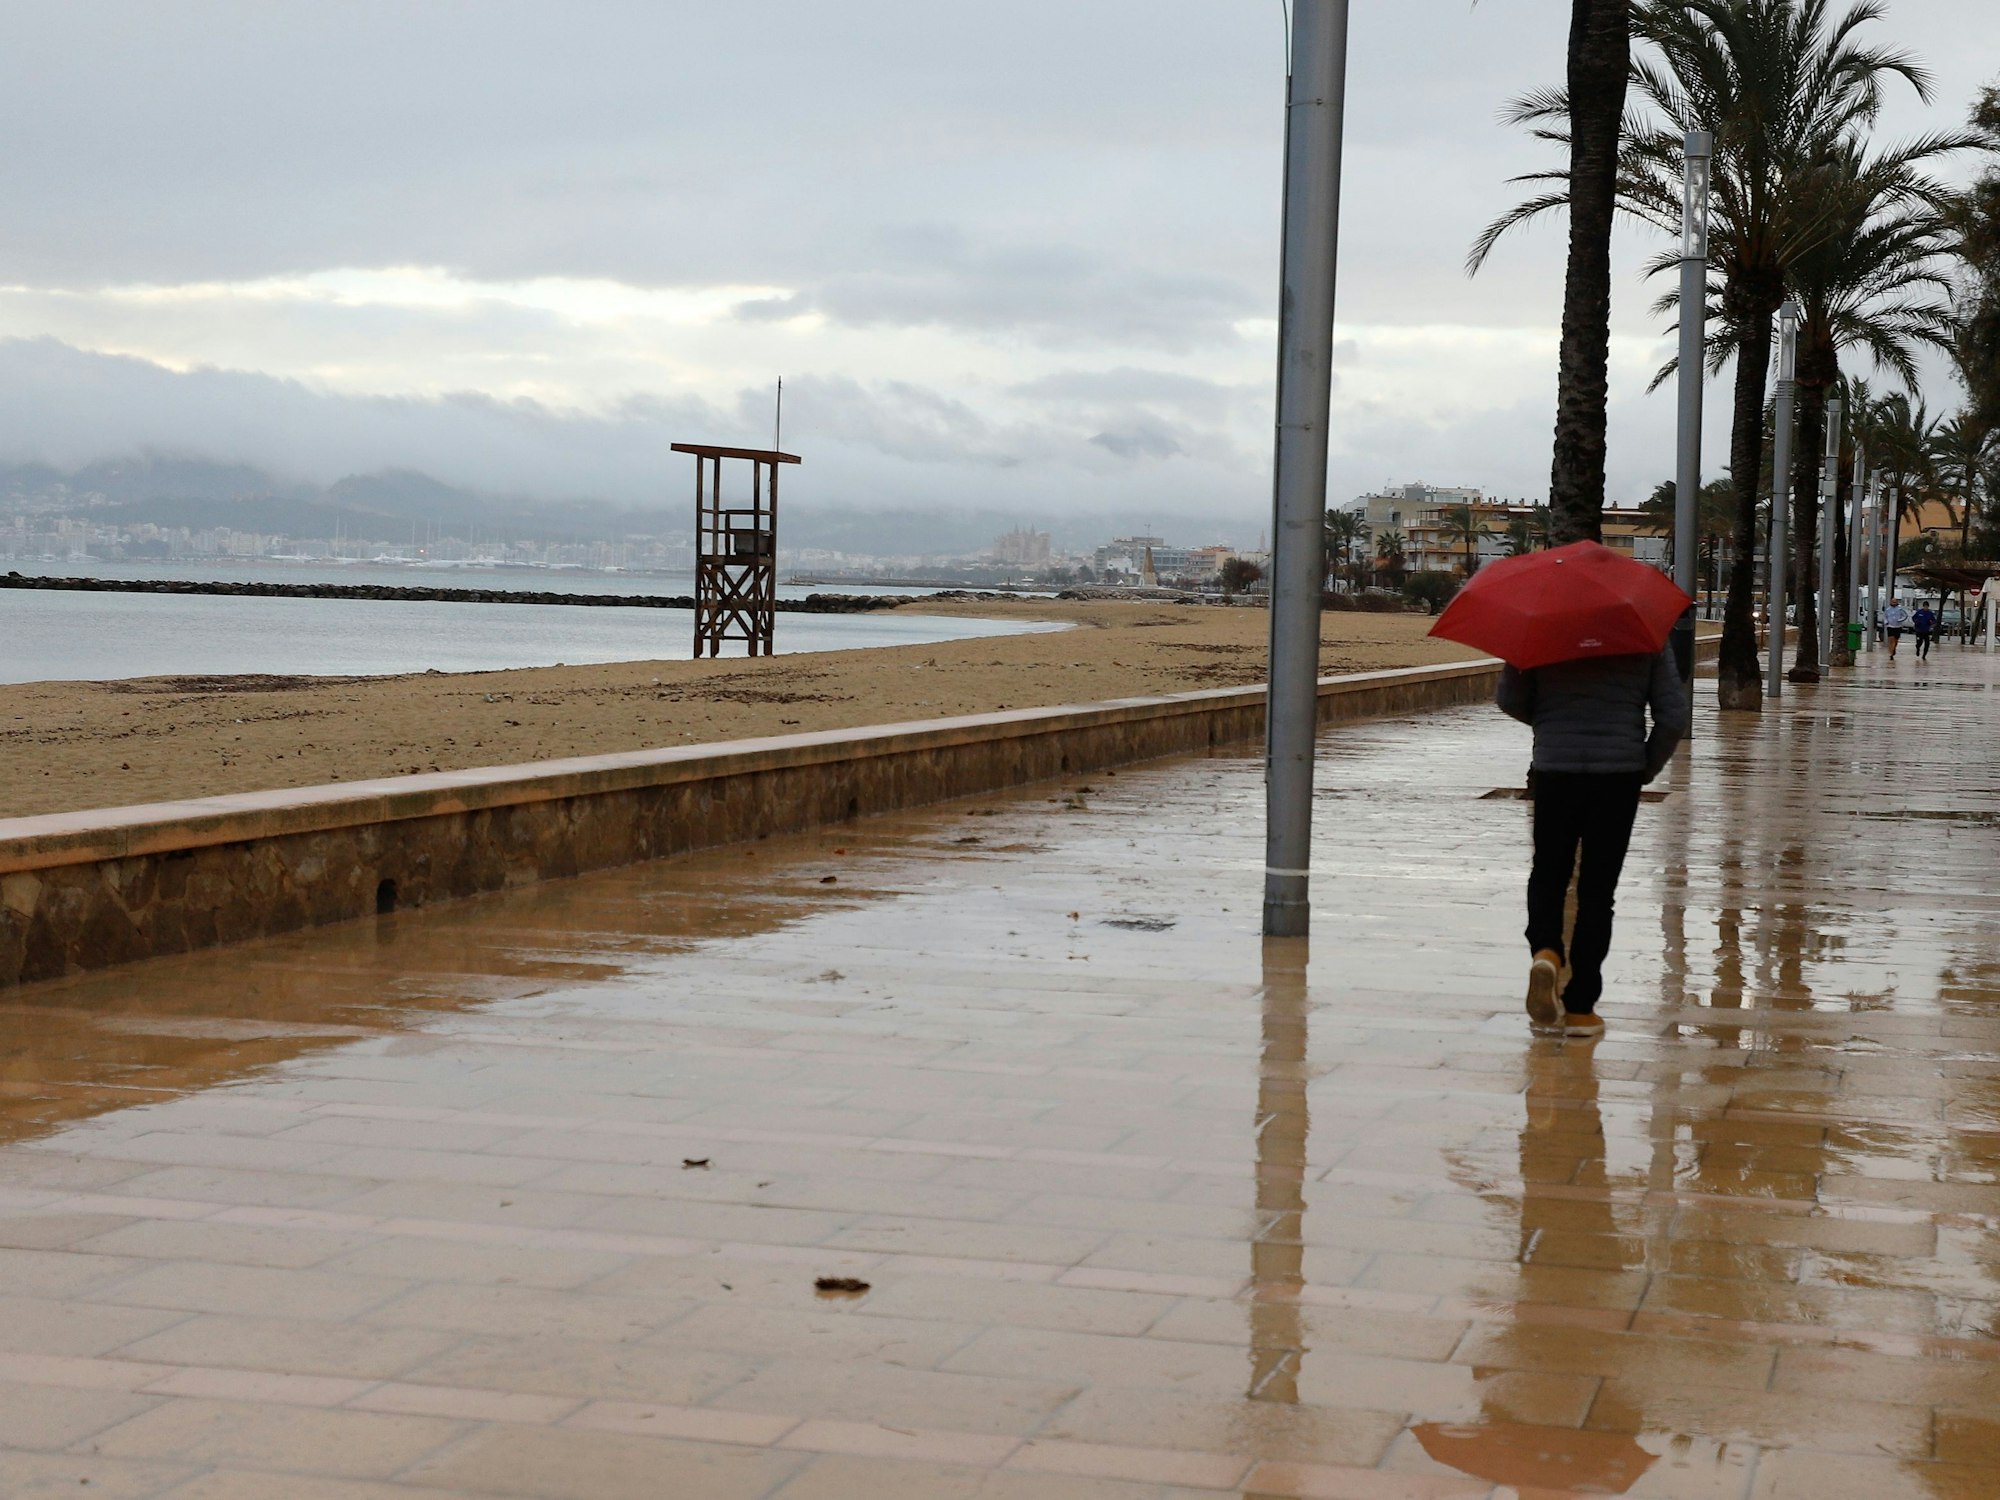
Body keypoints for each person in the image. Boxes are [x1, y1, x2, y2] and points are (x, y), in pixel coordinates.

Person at [1498, 648, 1688, 1039]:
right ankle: (1582, 1008)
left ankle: (1547, 951)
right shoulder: (1646, 636)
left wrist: (1549, 724)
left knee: (1549, 872)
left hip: (1555, 769)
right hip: (1618, 776)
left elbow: (1509, 698)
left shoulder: (1545, 630)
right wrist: (1644, 767)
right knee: (1598, 892)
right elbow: (1672, 717)